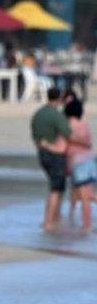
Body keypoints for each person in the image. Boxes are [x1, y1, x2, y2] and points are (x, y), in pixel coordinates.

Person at [31, 87, 72, 232]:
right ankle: (49, 220)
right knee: (56, 188)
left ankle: (54, 217)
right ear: (59, 99)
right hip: (55, 154)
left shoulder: (38, 114)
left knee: (55, 186)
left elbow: (34, 134)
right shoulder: (57, 115)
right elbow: (68, 133)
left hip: (42, 153)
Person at [64, 99, 95, 232]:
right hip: (90, 161)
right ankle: (86, 224)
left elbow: (65, 145)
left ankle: (86, 226)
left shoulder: (67, 126)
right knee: (89, 195)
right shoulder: (84, 125)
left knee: (85, 198)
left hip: (78, 162)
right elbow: (89, 142)